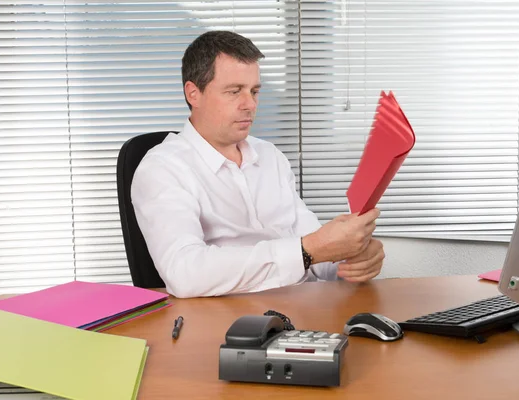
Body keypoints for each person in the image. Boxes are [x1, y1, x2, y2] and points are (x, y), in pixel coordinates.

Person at [131, 31, 384, 298]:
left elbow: (315, 252)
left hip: (302, 311)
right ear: (193, 93)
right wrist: (307, 250)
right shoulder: (163, 168)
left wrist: (350, 257)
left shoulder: (270, 156)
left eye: (254, 91)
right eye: (234, 91)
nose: (250, 104)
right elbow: (184, 273)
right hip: (224, 323)